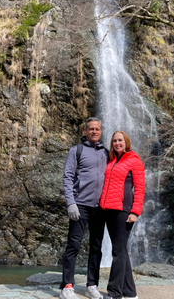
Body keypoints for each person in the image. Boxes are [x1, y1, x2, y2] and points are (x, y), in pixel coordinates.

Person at [60, 117, 108, 299]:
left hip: (100, 208)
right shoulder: (76, 150)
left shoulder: (106, 152)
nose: (94, 132)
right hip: (80, 206)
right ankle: (67, 286)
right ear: (85, 131)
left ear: (100, 131)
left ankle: (91, 285)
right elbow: (68, 177)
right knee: (73, 245)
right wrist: (71, 203)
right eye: (91, 129)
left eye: (97, 129)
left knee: (96, 247)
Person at [100, 130, 146, 299]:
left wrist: (135, 212)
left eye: (120, 140)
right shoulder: (111, 160)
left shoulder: (134, 161)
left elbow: (140, 188)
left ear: (126, 142)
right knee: (121, 250)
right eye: (114, 141)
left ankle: (114, 293)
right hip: (109, 210)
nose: (117, 143)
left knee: (118, 252)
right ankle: (130, 292)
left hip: (124, 211)